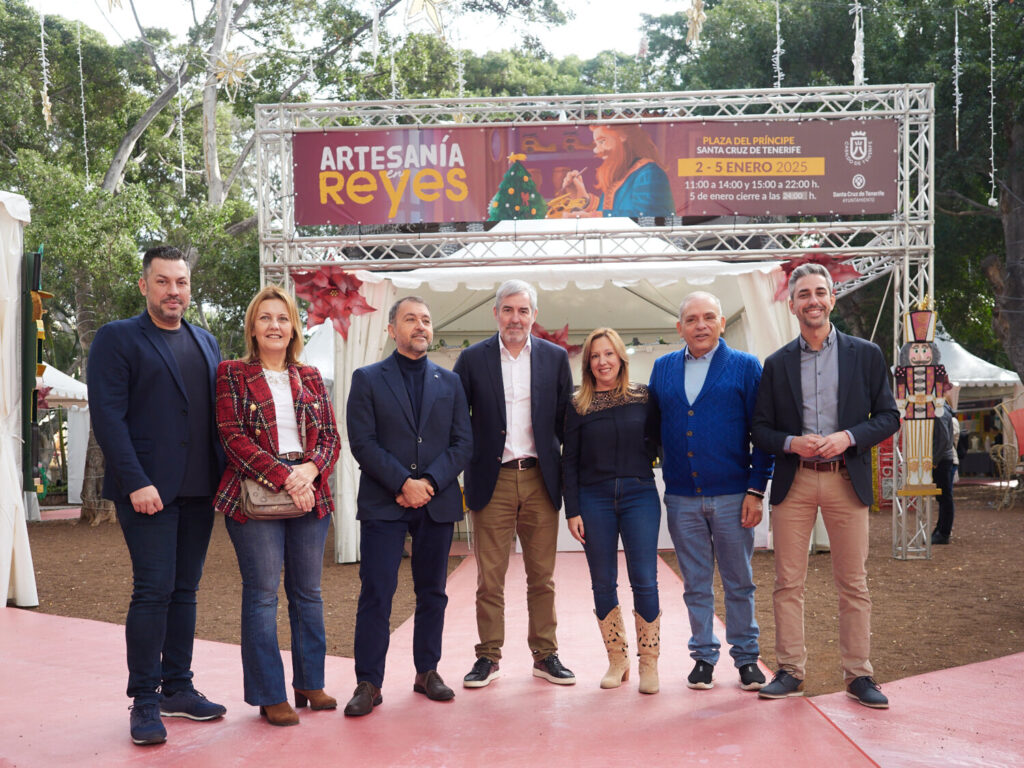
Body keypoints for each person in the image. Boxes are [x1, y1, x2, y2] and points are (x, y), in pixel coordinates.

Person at [88, 246, 227, 745]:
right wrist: (135, 480)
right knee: (153, 591)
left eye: (182, 283)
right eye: (164, 282)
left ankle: (178, 688)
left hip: (199, 491)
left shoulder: (207, 341)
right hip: (147, 491)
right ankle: (144, 700)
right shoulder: (117, 338)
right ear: (144, 285)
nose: (174, 291)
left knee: (185, 592)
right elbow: (108, 417)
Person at [752, 263, 899, 708]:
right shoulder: (776, 364)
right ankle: (790, 671)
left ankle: (859, 675)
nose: (812, 300)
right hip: (794, 484)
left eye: (820, 292)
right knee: (786, 583)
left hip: (845, 481)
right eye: (803, 294)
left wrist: (848, 437)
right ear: (792, 304)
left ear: (832, 298)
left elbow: (889, 416)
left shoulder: (866, 354)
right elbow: (760, 429)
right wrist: (792, 442)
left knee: (853, 583)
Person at [214, 285, 340, 726]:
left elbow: (330, 438)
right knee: (263, 596)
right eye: (266, 318)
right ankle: (270, 693)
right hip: (255, 495)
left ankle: (309, 682)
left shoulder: (310, 377)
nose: (274, 325)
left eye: (283, 318)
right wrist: (287, 476)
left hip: (309, 490)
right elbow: (233, 438)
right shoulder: (231, 373)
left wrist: (308, 471)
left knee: (309, 595)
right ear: (252, 327)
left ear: (293, 329)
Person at [343, 297, 472, 716]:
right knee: (377, 591)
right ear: (391, 329)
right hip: (385, 501)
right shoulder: (367, 379)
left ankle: (427, 672)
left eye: (426, 320)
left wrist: (429, 483)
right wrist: (402, 482)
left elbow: (462, 443)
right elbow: (362, 442)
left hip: (436, 501)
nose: (420, 326)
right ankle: (369, 682)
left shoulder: (449, 382)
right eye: (411, 319)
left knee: (432, 592)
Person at [648, 292, 773, 693]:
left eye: (708, 317)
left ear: (721, 323)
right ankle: (703, 657)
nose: (700, 325)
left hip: (734, 496)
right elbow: (649, 429)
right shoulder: (663, 369)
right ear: (679, 327)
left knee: (739, 581)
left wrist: (756, 489)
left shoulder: (745, 367)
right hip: (682, 497)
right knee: (696, 583)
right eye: (691, 318)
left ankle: (747, 659)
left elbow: (763, 433)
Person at [454, 279, 576, 688]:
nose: (515, 318)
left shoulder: (555, 358)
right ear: (495, 314)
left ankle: (545, 655)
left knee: (542, 577)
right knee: (490, 578)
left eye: (523, 310)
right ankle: (488, 657)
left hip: (542, 480)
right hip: (493, 480)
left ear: (534, 316)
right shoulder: (472, 360)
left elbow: (565, 423)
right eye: (508, 309)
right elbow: (457, 419)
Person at [563, 328, 662, 693]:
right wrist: (572, 509)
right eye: (594, 356)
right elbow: (569, 460)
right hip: (594, 499)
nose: (602, 361)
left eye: (608, 354)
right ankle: (617, 660)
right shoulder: (577, 404)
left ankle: (649, 663)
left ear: (621, 356)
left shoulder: (643, 397)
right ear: (587, 363)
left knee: (645, 579)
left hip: (640, 495)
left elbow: (658, 439)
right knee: (602, 581)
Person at [561, 124, 675, 218]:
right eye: (596, 144)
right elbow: (610, 211)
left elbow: (647, 218)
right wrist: (583, 200)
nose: (596, 150)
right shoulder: (621, 175)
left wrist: (593, 216)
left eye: (602, 141)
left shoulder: (648, 173)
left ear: (622, 136)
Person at [931, 406, 957, 544]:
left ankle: (943, 532)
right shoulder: (942, 410)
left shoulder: (939, 412)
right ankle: (941, 530)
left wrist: (934, 460)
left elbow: (943, 438)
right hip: (943, 458)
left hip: (941, 460)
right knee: (943, 497)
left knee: (945, 497)